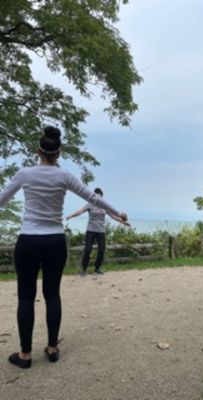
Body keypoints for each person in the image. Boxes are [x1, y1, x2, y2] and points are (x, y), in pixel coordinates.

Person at [0, 126, 128, 369]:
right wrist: (117, 213)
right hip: (55, 242)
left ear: (39, 151)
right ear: (59, 153)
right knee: (52, 294)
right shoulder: (64, 176)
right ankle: (52, 347)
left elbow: (1, 199)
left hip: (27, 241)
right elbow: (94, 198)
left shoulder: (25, 173)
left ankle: (25, 355)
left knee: (26, 297)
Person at [66, 188, 131, 276]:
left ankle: (97, 268)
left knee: (102, 250)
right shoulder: (90, 204)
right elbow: (80, 211)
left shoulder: (104, 206)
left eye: (99, 196)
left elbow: (113, 216)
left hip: (101, 231)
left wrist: (124, 222)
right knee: (88, 250)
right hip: (90, 230)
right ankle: (84, 269)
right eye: (95, 195)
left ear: (101, 197)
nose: (97, 197)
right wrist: (71, 216)